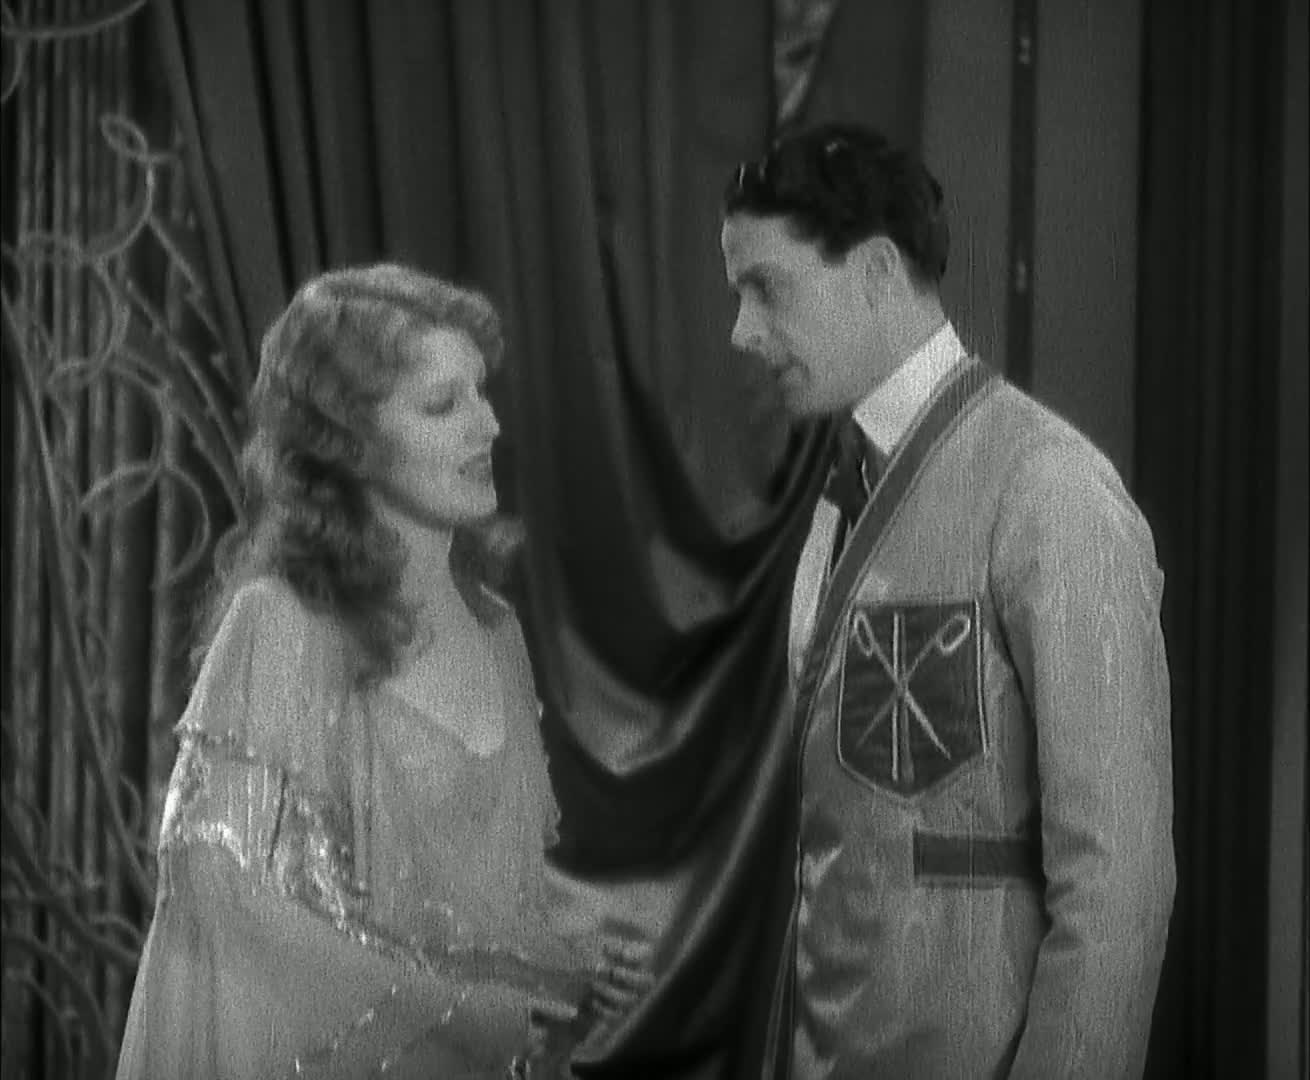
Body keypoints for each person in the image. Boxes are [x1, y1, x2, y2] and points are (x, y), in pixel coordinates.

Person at [115, 264, 650, 1079]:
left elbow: (481, 905)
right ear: (349, 440)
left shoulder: (496, 630)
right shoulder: (281, 624)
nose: (489, 425)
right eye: (442, 404)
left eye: (481, 392)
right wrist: (463, 1012)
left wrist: (575, 959)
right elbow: (221, 899)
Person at [720, 125, 1175, 1078]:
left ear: (878, 272)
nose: (742, 333)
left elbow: (1119, 886)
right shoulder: (835, 495)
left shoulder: (1049, 488)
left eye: (766, 287)